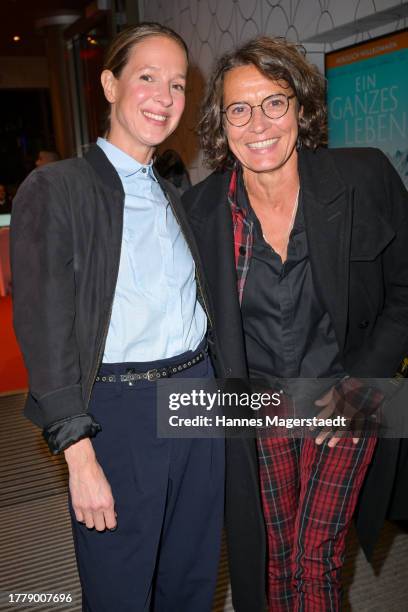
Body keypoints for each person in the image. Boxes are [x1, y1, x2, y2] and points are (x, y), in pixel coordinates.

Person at [182, 36, 408, 611]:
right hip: (255, 406)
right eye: (239, 108)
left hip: (345, 392)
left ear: (301, 108)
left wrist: (365, 386)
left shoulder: (364, 178)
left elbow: (405, 289)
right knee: (272, 559)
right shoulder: (201, 211)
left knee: (317, 558)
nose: (258, 123)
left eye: (274, 102)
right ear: (221, 123)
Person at [11, 23, 224, 612]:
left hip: (198, 394)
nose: (164, 96)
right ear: (110, 84)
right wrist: (79, 455)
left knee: (192, 574)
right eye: (147, 77)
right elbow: (45, 332)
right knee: (121, 586)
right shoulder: (57, 188)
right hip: (119, 409)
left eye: (178, 84)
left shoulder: (177, 186)